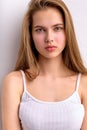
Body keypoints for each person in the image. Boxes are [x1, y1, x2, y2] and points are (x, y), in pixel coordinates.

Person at [1, 0, 87, 130]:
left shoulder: (84, 83)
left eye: (57, 28)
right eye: (40, 30)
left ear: (67, 32)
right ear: (30, 35)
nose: (49, 38)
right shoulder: (14, 82)